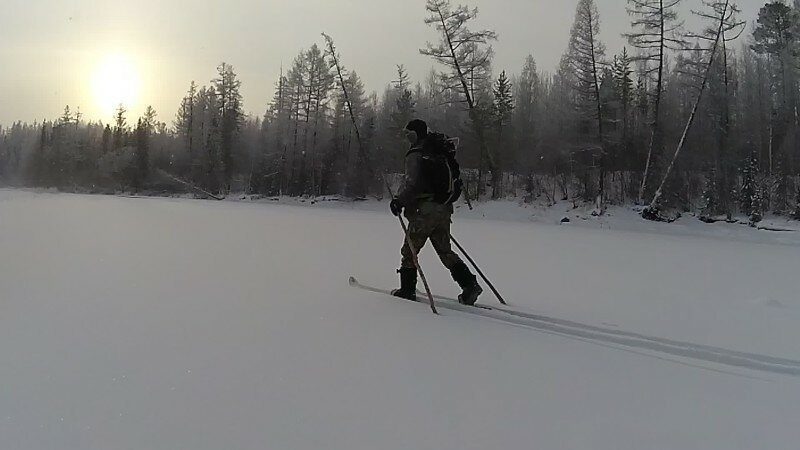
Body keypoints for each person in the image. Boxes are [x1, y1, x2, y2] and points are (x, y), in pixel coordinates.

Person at [389, 119, 483, 306]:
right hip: (443, 207)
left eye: (409, 134)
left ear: (416, 134)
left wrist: (399, 200)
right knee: (445, 250)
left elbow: (412, 183)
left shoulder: (417, 153)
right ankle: (469, 285)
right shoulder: (438, 151)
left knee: (410, 250)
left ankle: (407, 291)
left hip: (425, 210)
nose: (408, 138)